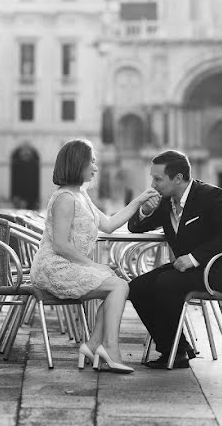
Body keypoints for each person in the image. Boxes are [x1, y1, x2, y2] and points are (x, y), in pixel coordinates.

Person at [30, 139, 158, 374]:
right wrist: (95, 266)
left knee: (119, 286)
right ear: (78, 163)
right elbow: (59, 244)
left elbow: (109, 225)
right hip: (54, 267)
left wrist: (139, 200)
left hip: (69, 264)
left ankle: (92, 346)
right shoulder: (65, 199)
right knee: (119, 286)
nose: (96, 168)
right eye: (92, 162)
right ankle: (107, 348)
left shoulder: (81, 196)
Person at [127, 150, 222, 369]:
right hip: (187, 272)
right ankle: (178, 348)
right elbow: (135, 227)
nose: (153, 184)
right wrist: (144, 210)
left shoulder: (211, 195)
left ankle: (175, 353)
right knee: (136, 287)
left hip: (219, 271)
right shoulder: (165, 202)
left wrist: (193, 258)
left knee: (166, 283)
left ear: (178, 178)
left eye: (157, 178)